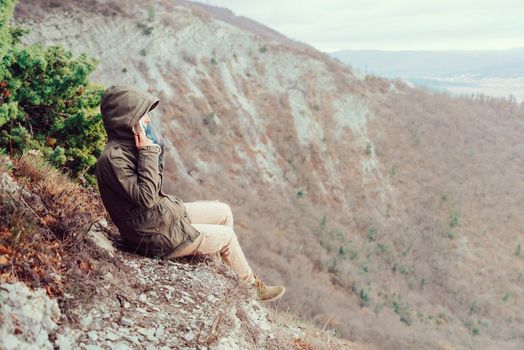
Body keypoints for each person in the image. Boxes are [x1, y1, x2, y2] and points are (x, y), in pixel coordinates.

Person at [95, 85, 285, 302]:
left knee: (223, 212)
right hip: (152, 235)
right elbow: (146, 198)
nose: (147, 120)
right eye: (142, 115)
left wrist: (155, 148)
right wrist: (148, 152)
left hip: (160, 217)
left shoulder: (133, 146)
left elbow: (154, 187)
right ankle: (251, 288)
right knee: (227, 237)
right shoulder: (113, 160)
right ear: (126, 120)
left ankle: (220, 262)